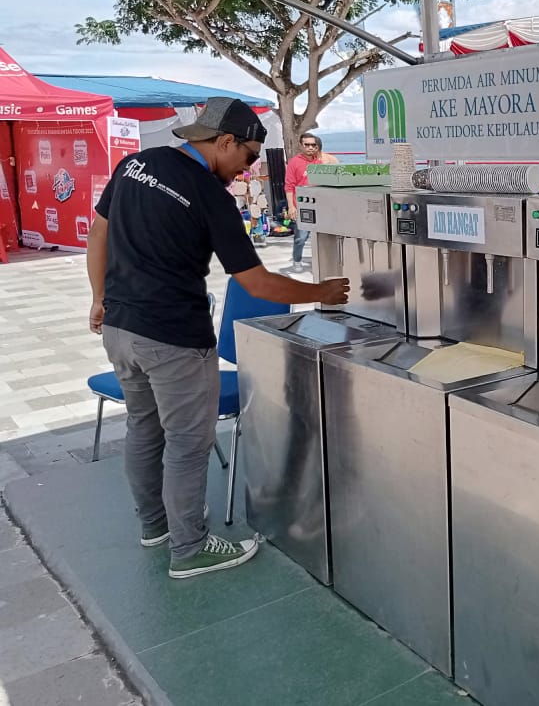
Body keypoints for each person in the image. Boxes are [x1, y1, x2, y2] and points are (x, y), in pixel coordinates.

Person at [86, 97, 350, 580]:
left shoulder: (135, 165)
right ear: (224, 142)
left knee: (144, 429)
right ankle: (190, 548)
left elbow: (98, 235)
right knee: (188, 443)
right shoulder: (210, 196)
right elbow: (259, 284)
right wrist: (323, 290)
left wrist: (99, 297)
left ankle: (156, 527)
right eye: (249, 156)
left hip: (120, 329)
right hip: (173, 338)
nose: (247, 169)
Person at [285, 134, 338, 273]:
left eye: (313, 145)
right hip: (302, 206)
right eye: (306, 144)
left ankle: (323, 262)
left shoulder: (321, 161)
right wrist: (291, 206)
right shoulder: (294, 162)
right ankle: (297, 260)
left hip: (320, 205)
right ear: (301, 145)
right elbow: (289, 186)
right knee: (301, 237)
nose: (310, 148)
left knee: (323, 236)